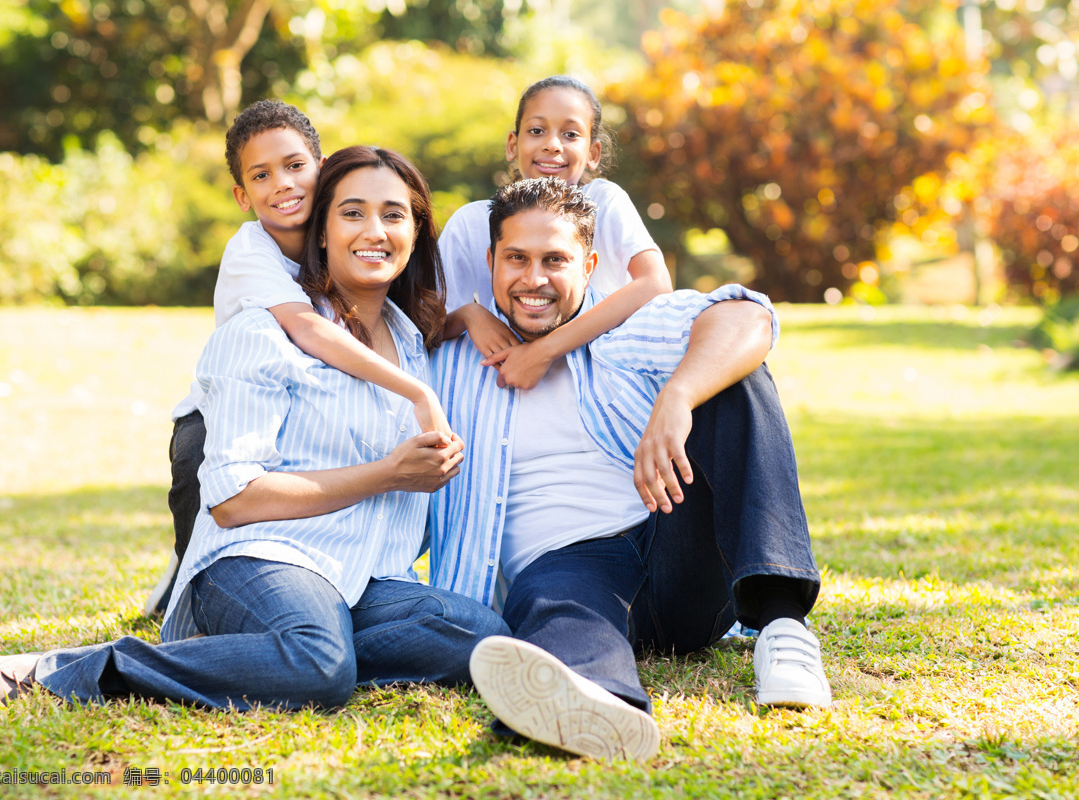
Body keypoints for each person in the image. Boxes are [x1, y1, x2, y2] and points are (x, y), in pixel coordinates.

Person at [0, 147, 508, 710]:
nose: (374, 231)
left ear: (415, 232)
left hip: (363, 579)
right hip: (262, 559)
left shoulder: (412, 344)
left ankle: (249, 657)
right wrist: (387, 475)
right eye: (352, 213)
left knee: (481, 635)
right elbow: (233, 500)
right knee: (319, 665)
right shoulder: (264, 332)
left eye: (393, 214)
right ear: (321, 231)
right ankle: (65, 671)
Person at [426, 178, 830, 762]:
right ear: (490, 261)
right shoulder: (449, 363)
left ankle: (783, 623)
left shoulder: (617, 330)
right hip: (566, 562)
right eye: (516, 258)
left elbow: (748, 318)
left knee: (733, 375)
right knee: (556, 605)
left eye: (555, 261)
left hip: (673, 538)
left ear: (589, 266)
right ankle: (596, 704)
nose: (534, 279)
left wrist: (678, 397)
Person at [145, 101, 452, 616]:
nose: (282, 184)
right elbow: (309, 328)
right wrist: (415, 389)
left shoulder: (340, 228)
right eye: (261, 176)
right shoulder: (253, 252)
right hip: (212, 414)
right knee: (208, 499)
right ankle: (190, 584)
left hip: (283, 407)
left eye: (294, 166)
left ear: (321, 167)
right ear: (243, 196)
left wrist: (462, 318)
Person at [440, 75, 672, 391]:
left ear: (593, 152)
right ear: (513, 144)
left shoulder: (605, 201)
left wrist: (545, 350)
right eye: (537, 131)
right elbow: (428, 320)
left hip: (600, 379)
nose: (552, 144)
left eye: (570, 134)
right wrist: (469, 314)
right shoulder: (472, 222)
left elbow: (656, 284)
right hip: (499, 382)